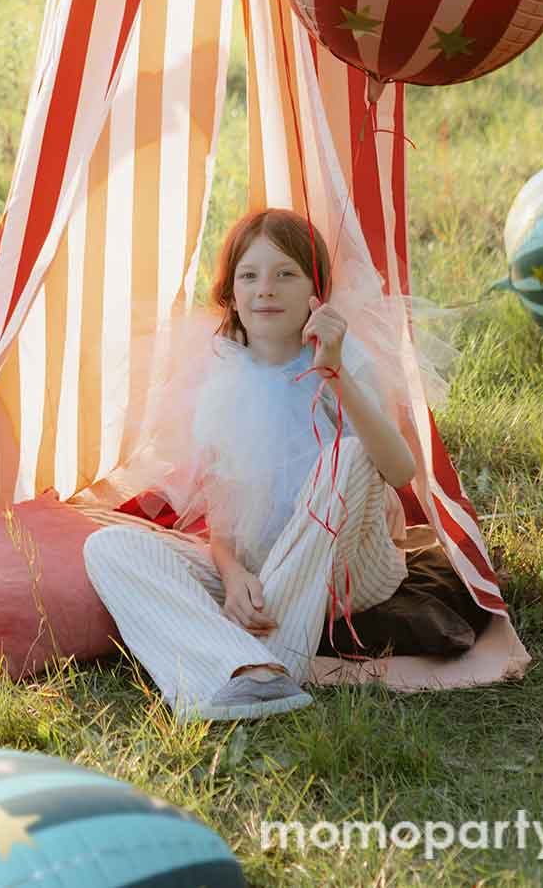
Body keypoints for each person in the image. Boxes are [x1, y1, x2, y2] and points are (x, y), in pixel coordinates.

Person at [82, 209, 418, 720]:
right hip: (264, 573)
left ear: (315, 290)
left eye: (285, 274)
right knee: (109, 545)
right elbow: (224, 519)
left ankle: (255, 663)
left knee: (348, 454)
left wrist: (334, 373)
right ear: (231, 294)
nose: (266, 289)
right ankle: (255, 669)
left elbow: (399, 471)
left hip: (348, 566)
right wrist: (234, 574)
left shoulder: (341, 363)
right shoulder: (221, 379)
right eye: (249, 275)